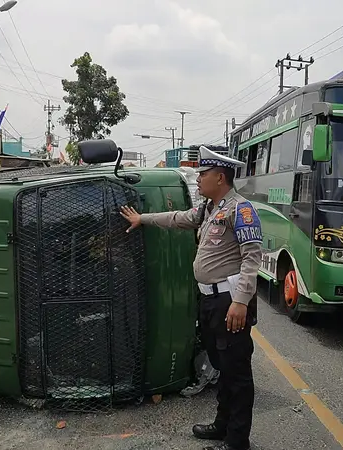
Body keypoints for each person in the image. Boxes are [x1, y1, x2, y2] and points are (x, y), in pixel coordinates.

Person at [120, 146, 261, 450]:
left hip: (229, 303)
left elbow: (252, 259)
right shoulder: (210, 208)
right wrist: (143, 218)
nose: (198, 179)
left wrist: (240, 301)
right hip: (210, 302)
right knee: (223, 367)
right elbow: (178, 218)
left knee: (237, 373)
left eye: (203, 174)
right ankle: (222, 425)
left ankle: (238, 442)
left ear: (220, 177)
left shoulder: (241, 209)